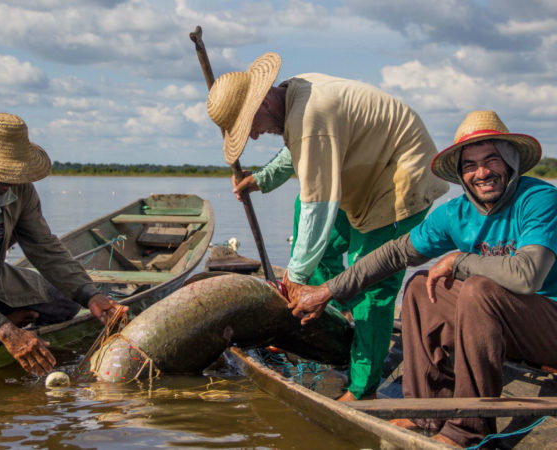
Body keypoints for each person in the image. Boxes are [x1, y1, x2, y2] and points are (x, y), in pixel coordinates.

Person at [290, 110, 557, 447]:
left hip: (549, 325)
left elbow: (528, 275)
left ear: (511, 162)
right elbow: (393, 254)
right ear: (460, 175)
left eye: (493, 160)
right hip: (498, 326)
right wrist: (328, 290)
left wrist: (460, 260)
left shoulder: (538, 200)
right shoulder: (455, 213)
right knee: (419, 285)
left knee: (476, 289)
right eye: (470, 165)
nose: (483, 172)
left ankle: (468, 428)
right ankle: (427, 409)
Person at [207, 52, 448, 401]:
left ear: (263, 101)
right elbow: (300, 150)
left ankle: (362, 387)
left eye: (251, 126)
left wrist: (296, 276)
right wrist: (261, 179)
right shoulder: (294, 99)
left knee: (372, 285)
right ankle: (335, 327)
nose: (255, 137)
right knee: (317, 254)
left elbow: (316, 203)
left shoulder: (310, 113)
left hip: (400, 181)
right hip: (363, 173)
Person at [0, 112, 127, 376]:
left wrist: (90, 295)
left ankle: (4, 320)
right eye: (3, 171)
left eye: (15, 171)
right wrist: (5, 330)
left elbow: (45, 248)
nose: (13, 179)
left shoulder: (19, 190)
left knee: (67, 304)